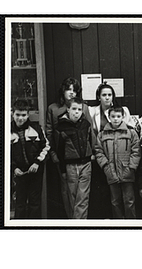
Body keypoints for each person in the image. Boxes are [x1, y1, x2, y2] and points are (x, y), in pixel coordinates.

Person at [87, 82, 136, 219]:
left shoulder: (122, 110)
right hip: (105, 155)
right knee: (109, 195)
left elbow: (131, 130)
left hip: (122, 157)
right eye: (104, 95)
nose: (107, 97)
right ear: (99, 97)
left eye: (110, 95)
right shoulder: (93, 111)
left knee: (127, 198)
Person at [46, 77, 88, 218]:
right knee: (67, 190)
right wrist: (53, 154)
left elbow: (89, 131)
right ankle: (71, 221)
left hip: (81, 156)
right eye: (68, 89)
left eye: (75, 90)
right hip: (61, 156)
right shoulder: (53, 109)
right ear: (63, 91)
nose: (72, 93)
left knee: (81, 194)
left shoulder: (84, 107)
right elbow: (49, 133)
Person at [95, 106, 141, 218]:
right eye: (113, 116)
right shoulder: (102, 134)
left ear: (123, 117)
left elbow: (136, 151)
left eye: (118, 116)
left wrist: (131, 168)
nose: (116, 119)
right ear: (109, 117)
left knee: (129, 201)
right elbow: (98, 152)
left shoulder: (131, 132)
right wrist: (106, 167)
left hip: (127, 171)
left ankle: (131, 226)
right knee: (115, 202)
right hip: (111, 171)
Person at [56, 97, 95, 219]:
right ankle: (74, 222)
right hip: (70, 166)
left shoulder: (86, 124)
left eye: (79, 109)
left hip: (86, 164)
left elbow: (90, 141)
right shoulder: (61, 126)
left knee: (83, 196)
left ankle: (80, 224)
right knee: (72, 195)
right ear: (68, 109)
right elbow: (60, 150)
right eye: (74, 109)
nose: (77, 112)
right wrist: (63, 170)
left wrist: (91, 154)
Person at [11, 100, 50, 218]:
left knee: (34, 203)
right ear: (12, 114)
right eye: (17, 114)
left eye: (23, 115)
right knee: (20, 203)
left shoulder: (36, 129)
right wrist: (14, 168)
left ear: (28, 115)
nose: (20, 118)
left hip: (35, 172)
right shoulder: (7, 131)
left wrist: (37, 162)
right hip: (19, 173)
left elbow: (46, 147)